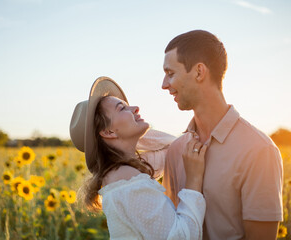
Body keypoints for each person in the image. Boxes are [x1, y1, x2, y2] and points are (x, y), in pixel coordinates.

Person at [161, 30, 283, 240]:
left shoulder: (260, 151)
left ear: (199, 72)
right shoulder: (176, 150)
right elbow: (174, 232)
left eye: (170, 73)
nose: (164, 85)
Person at [70, 76, 207, 240]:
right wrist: (194, 180)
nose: (136, 108)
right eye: (122, 108)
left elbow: (171, 146)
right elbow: (183, 237)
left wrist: (132, 137)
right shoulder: (126, 180)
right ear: (108, 132)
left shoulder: (125, 172)